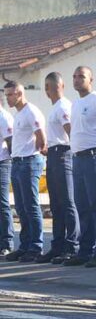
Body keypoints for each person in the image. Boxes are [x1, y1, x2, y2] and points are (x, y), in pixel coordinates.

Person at [64, 66, 96, 268]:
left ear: (91, 79)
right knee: (81, 205)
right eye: (74, 76)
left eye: (81, 76)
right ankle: (85, 250)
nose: (76, 80)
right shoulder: (76, 104)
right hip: (78, 158)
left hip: (94, 156)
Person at [36, 72, 80, 264]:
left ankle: (72, 245)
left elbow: (71, 132)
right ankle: (58, 245)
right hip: (53, 153)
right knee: (56, 204)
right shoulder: (54, 107)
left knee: (68, 202)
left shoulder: (64, 106)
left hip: (64, 153)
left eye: (52, 86)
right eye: (47, 87)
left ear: (61, 86)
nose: (49, 90)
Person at [4, 81, 46, 262]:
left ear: (19, 93)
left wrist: (30, 153)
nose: (7, 99)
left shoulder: (31, 111)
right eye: (6, 95)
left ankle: (36, 246)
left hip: (29, 161)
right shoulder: (19, 114)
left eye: (10, 95)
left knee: (31, 206)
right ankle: (25, 245)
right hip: (18, 161)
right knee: (21, 207)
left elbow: (41, 138)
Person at [0, 93, 14, 258]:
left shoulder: (4, 117)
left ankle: (7, 242)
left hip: (3, 163)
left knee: (3, 204)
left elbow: (10, 141)